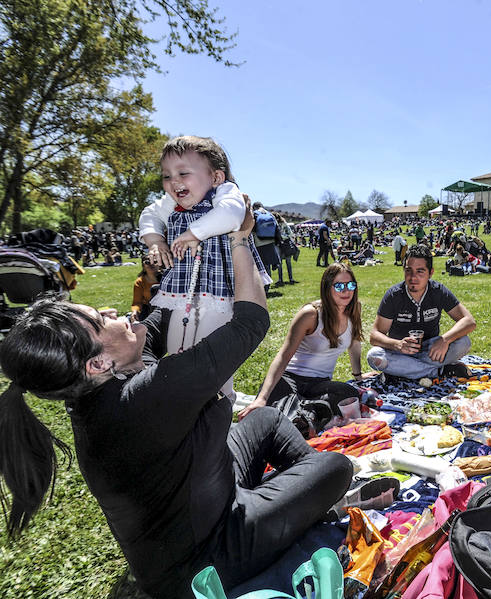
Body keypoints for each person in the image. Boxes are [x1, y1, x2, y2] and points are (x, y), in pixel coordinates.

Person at [0, 199, 353, 598]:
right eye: (101, 319)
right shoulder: (146, 398)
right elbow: (252, 321)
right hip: (206, 558)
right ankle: (287, 508)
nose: (113, 310)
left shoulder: (105, 386)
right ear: (97, 364)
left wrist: (193, 244)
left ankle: (284, 504)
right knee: (336, 466)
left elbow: (157, 320)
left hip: (207, 493)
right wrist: (239, 238)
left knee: (265, 420)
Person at [138, 136, 269, 398]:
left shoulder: (225, 193)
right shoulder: (171, 202)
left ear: (216, 177)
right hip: (183, 292)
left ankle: (220, 400)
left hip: (220, 290)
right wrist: (155, 241)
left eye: (183, 172)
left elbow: (231, 214)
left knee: (216, 357)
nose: (174, 181)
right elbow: (149, 215)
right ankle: (186, 399)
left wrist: (194, 233)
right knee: (178, 350)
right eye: (167, 175)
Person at [238, 263, 365, 431]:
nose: (346, 291)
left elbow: (354, 344)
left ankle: (303, 411)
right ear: (327, 287)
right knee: (281, 406)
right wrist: (262, 397)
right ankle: (306, 412)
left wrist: (358, 377)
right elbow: (284, 356)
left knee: (350, 393)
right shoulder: (311, 314)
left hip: (319, 385)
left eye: (350, 285)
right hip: (291, 379)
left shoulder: (355, 310)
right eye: (339, 286)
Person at [367, 244, 476, 380]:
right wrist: (397, 345)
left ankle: (405, 372)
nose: (413, 277)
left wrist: (445, 340)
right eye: (408, 270)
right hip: (401, 353)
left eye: (420, 271)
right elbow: (374, 335)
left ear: (430, 273)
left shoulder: (438, 291)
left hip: (431, 351)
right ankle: (437, 372)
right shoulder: (394, 295)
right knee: (374, 356)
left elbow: (469, 321)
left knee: (464, 342)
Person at [130, 256, 161, 321]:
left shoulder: (166, 278)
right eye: (147, 262)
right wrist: (135, 311)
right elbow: (137, 302)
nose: (151, 264)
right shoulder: (140, 282)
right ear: (143, 266)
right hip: (149, 310)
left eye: (155, 262)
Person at [274, 212, 297, 285]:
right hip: (278, 245)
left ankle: (291, 278)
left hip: (286, 244)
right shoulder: (273, 225)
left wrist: (281, 237)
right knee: (279, 263)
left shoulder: (284, 224)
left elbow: (290, 233)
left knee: (288, 262)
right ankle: (280, 279)